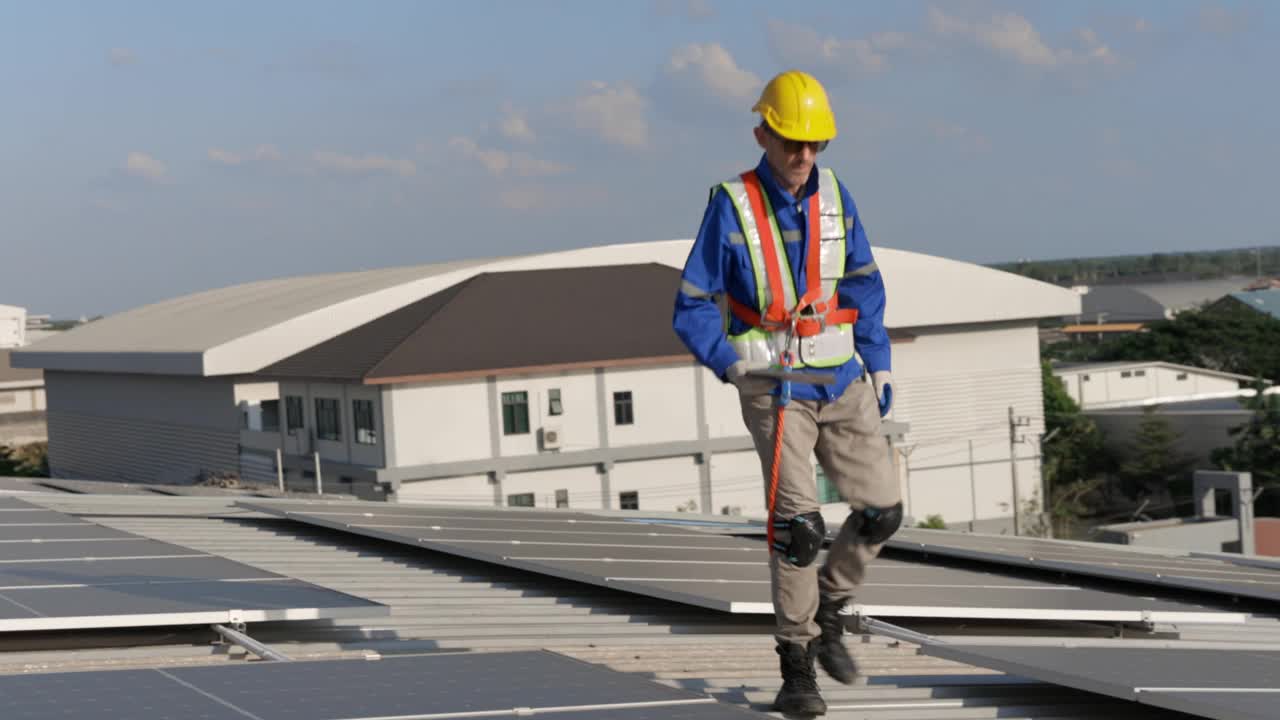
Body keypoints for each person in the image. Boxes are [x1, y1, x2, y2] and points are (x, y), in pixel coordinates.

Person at [672, 69, 903, 715]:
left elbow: (862, 280)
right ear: (763, 135)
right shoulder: (731, 203)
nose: (804, 157)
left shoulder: (834, 193)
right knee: (798, 528)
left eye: (816, 145)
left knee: (882, 510)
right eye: (792, 143)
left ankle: (830, 605)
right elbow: (689, 304)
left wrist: (879, 361)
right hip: (773, 385)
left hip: (842, 377)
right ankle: (795, 664)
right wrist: (726, 362)